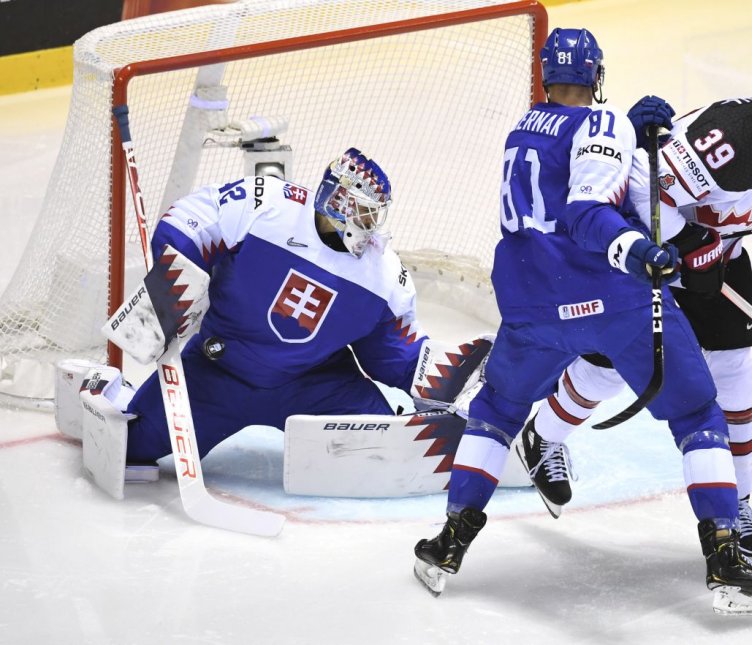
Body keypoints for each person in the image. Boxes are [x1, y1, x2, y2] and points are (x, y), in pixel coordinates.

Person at [413, 28, 752, 614]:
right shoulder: (603, 123)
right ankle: (723, 558)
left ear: (546, 75)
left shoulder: (521, 129)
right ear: (597, 75)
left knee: (496, 411)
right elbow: (587, 210)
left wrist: (629, 136)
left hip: (529, 304)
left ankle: (449, 541)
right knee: (696, 414)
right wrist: (640, 252)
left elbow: (572, 164)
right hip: (609, 299)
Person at [520, 60, 752, 557]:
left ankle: (736, 502)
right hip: (652, 250)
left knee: (735, 377)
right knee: (611, 370)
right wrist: (690, 242)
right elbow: (642, 184)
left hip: (717, 261)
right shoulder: (725, 140)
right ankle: (542, 436)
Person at [68, 148, 488, 498]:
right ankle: (105, 387)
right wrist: (177, 277)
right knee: (130, 447)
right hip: (218, 371)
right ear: (338, 201)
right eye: (363, 213)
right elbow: (188, 221)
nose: (370, 226)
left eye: (374, 216)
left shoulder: (383, 273)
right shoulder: (265, 204)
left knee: (390, 449)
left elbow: (396, 355)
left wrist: (446, 380)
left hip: (315, 385)